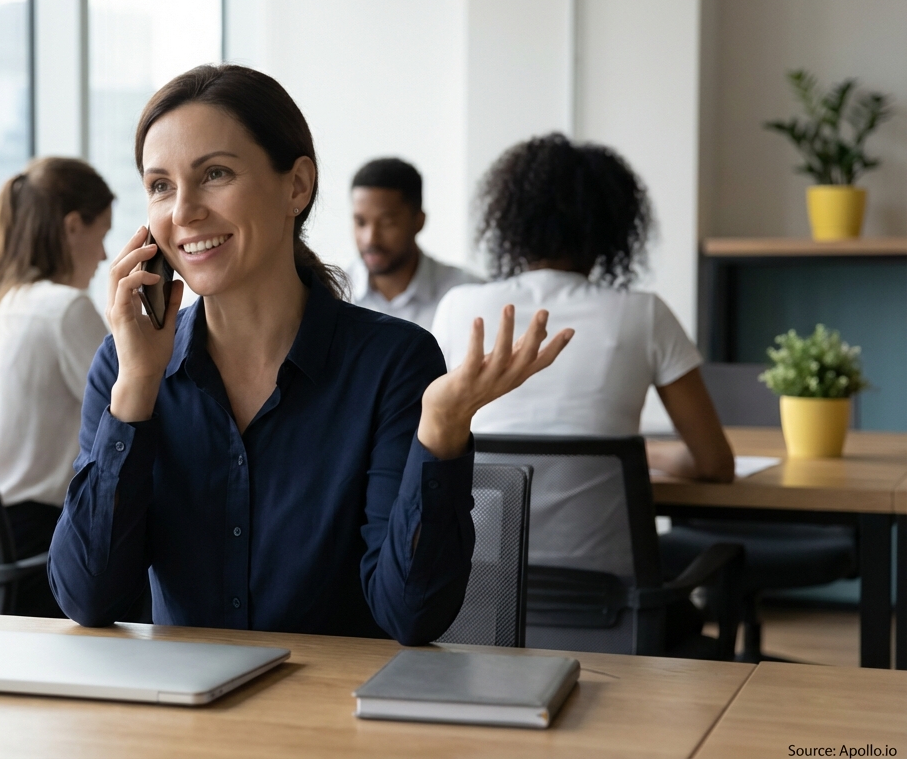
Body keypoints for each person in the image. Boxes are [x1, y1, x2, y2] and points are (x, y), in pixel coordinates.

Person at [47, 65, 572, 646]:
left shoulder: (393, 363)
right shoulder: (126, 367)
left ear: (296, 185)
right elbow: (87, 598)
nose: (183, 211)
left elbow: (412, 614)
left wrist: (443, 427)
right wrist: (136, 389)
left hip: (335, 722)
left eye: (214, 173)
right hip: (183, 721)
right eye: (161, 186)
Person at [430, 133, 734, 582]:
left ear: (510, 223)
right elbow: (714, 464)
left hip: (479, 593)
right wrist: (654, 456)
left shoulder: (459, 308)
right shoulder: (644, 314)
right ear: (613, 228)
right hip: (608, 599)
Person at [0, 157, 113, 618]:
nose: (106, 255)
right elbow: (132, 414)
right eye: (103, 234)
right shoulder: (64, 309)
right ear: (73, 227)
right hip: (32, 550)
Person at [345, 158, 480, 329]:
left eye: (387, 223)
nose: (370, 239)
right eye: (361, 223)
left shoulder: (468, 295)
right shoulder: (330, 295)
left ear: (419, 221)